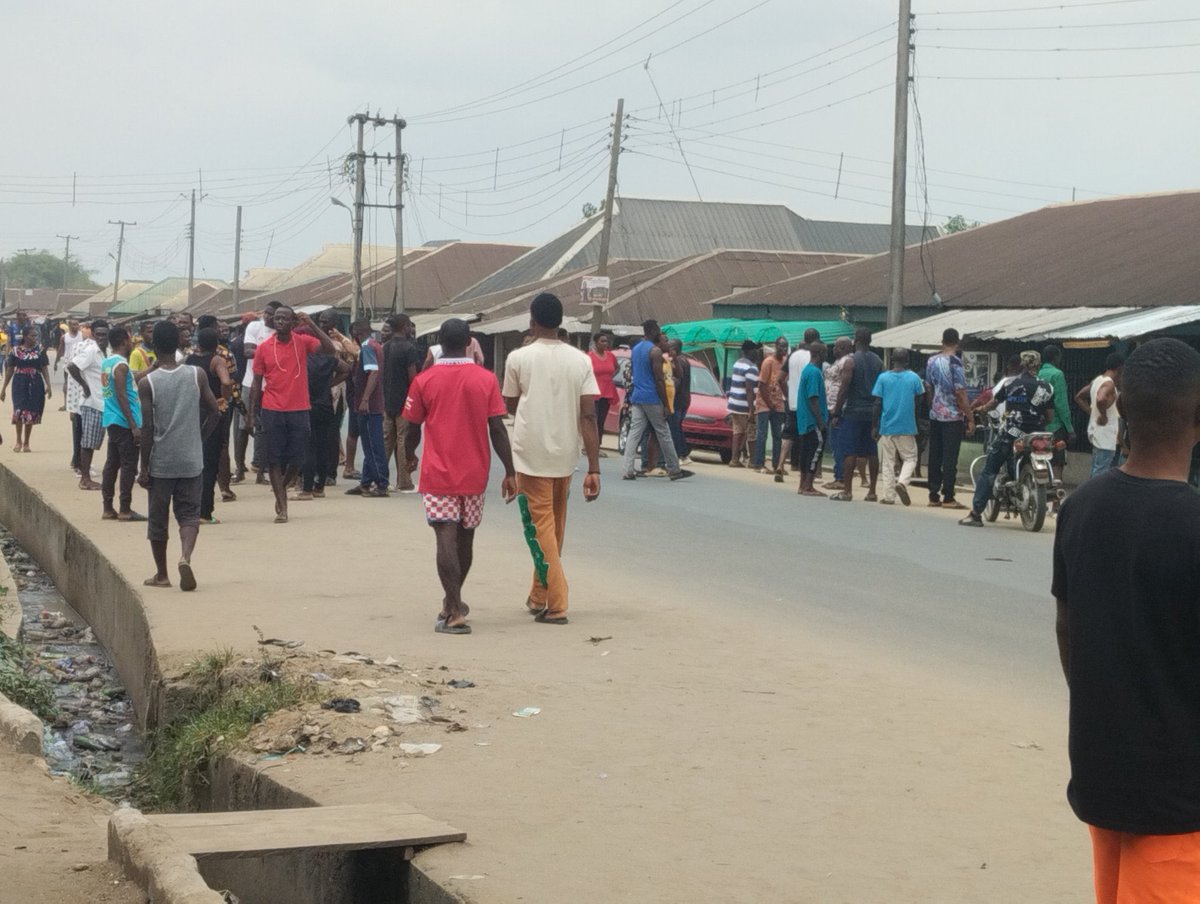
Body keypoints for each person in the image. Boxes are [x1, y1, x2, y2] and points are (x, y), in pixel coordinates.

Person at [1052, 337, 1200, 904]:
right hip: (1179, 802)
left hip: (1102, 777)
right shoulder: (1192, 526)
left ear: (1123, 410)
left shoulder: (1080, 509)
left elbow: (1069, 629)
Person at [404, 318, 517, 634]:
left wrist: (408, 455)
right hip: (475, 472)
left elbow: (412, 428)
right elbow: (497, 427)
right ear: (470, 342)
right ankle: (452, 602)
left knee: (445, 535)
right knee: (465, 537)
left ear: (440, 341)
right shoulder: (485, 379)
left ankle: (453, 608)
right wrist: (509, 470)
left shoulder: (425, 380)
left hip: (438, 472)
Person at [502, 293, 602, 625]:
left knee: (539, 526)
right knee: (554, 526)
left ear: (532, 321)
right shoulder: (581, 360)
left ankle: (557, 602)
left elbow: (511, 404)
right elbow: (588, 416)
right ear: (561, 322)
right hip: (565, 452)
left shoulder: (518, 357)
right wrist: (594, 468)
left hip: (531, 452)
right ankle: (539, 593)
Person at [136, 321, 220, 591]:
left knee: (158, 519)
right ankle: (185, 557)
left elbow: (147, 428)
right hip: (191, 459)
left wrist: (143, 466)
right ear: (180, 344)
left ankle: (161, 574)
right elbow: (215, 412)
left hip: (162, 461)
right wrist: (200, 437)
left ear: (153, 346)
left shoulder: (148, 382)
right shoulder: (197, 374)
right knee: (189, 515)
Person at [246, 306, 336, 523]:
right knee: (275, 460)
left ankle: (282, 488)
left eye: (285, 318)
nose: (280, 322)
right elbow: (257, 383)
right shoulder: (264, 348)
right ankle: (282, 506)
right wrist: (251, 414)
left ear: (293, 322)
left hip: (299, 409)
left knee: (299, 458)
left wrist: (312, 324)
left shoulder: (303, 341)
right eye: (277, 318)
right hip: (272, 408)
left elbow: (330, 349)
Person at [959, 351, 1055, 527]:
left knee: (990, 470)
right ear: (1038, 365)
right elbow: (1049, 417)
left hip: (1011, 433)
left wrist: (980, 410)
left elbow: (993, 404)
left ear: (1022, 365)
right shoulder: (1047, 388)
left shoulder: (1011, 384)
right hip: (1034, 435)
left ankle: (975, 514)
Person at [622, 320, 686, 481]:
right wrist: (665, 403)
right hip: (652, 397)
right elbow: (659, 380)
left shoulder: (636, 349)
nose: (659, 331)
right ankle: (674, 468)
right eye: (657, 329)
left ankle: (628, 469)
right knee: (663, 432)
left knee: (634, 433)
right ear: (652, 331)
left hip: (637, 396)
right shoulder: (655, 351)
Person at [185, 328, 234, 524]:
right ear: (216, 344)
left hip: (192, 413)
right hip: (213, 413)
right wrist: (224, 399)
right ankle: (205, 512)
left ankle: (189, 507)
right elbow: (226, 381)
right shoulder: (217, 360)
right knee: (210, 461)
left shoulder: (190, 360)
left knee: (193, 462)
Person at [829, 328, 883, 502]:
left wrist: (836, 411)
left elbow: (844, 388)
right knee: (871, 451)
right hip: (872, 412)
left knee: (850, 451)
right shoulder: (878, 361)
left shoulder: (851, 361)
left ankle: (847, 490)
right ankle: (872, 491)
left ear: (856, 341)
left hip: (853, 411)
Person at [924, 329, 974, 509]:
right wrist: (970, 418)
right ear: (957, 342)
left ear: (942, 341)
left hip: (935, 413)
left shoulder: (931, 360)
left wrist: (933, 407)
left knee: (935, 455)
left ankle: (933, 495)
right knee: (950, 457)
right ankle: (949, 497)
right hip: (952, 416)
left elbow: (928, 387)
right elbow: (960, 393)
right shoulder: (956, 362)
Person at [298, 331, 350, 500]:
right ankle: (319, 487)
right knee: (322, 446)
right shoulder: (330, 361)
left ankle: (307, 488)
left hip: (307, 405)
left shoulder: (303, 362)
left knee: (308, 447)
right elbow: (346, 369)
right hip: (326, 405)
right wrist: (331, 383)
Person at [99, 327, 144, 522]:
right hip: (124, 421)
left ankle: (108, 507)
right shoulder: (121, 365)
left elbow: (130, 382)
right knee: (129, 465)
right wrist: (134, 425)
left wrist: (154, 367)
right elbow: (121, 394)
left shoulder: (107, 363)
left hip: (112, 418)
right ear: (125, 341)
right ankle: (125, 508)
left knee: (112, 464)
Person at [872, 348, 925, 507]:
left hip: (887, 425)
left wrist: (875, 425)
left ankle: (888, 496)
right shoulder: (914, 378)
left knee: (888, 462)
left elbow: (877, 403)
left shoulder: (883, 378)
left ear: (892, 359)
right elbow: (920, 400)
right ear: (907, 361)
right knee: (910, 458)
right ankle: (902, 482)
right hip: (907, 425)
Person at [345, 319, 389, 498]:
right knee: (369, 444)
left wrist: (364, 399)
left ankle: (381, 484)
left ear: (357, 330)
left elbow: (373, 372)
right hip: (370, 404)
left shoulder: (368, 347)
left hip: (369, 406)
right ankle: (365, 482)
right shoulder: (374, 345)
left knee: (372, 445)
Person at [381, 313, 422, 492]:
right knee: (402, 439)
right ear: (405, 327)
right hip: (405, 399)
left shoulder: (385, 347)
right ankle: (404, 481)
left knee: (386, 439)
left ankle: (379, 478)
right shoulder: (409, 348)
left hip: (386, 398)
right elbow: (412, 377)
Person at [67, 319, 109, 491]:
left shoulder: (108, 352)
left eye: (104, 335)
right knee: (88, 443)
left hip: (105, 402)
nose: (100, 338)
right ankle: (85, 478)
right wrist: (85, 386)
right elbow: (72, 366)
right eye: (97, 334)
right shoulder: (91, 351)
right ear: (92, 334)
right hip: (92, 403)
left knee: (96, 442)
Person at [242, 301, 280, 484]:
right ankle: (240, 468)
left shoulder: (282, 333)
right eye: (266, 312)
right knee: (244, 426)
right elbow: (247, 351)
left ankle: (260, 467)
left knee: (265, 429)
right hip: (250, 383)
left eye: (271, 314)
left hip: (271, 387)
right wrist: (269, 352)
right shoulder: (254, 326)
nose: (267, 316)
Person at [1075, 353, 1124, 479]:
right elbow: (1101, 398)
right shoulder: (1109, 384)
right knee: (1100, 473)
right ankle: (1093, 497)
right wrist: (1102, 415)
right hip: (1106, 436)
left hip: (1097, 433)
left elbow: (1079, 397)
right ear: (1120, 369)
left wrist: (1093, 412)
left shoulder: (1097, 380)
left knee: (1098, 469)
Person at [0, 326, 50, 451]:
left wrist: (49, 385)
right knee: (19, 411)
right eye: (32, 336)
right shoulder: (15, 351)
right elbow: (10, 370)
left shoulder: (40, 350)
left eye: (35, 336)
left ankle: (27, 442)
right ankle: (18, 441)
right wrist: (4, 388)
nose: (34, 338)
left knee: (30, 412)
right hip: (19, 383)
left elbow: (44, 368)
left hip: (35, 383)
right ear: (25, 336)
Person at [794, 342, 828, 497]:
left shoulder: (807, 370)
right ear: (819, 354)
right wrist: (821, 422)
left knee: (806, 453)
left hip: (804, 421)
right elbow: (813, 398)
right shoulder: (814, 372)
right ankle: (808, 486)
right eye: (826, 352)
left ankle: (803, 485)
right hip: (812, 421)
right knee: (815, 452)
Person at [1040, 344, 1075, 489]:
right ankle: (1056, 499)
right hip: (1056, 426)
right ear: (1056, 357)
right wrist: (1070, 428)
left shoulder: (1037, 373)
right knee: (1057, 462)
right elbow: (1061, 403)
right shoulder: (1057, 374)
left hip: (1039, 425)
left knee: (1041, 459)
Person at [822, 337, 854, 490]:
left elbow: (844, 387)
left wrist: (837, 411)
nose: (833, 349)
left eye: (836, 346)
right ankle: (839, 476)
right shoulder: (839, 361)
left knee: (838, 444)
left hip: (837, 409)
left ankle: (840, 478)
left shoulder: (846, 362)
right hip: (831, 407)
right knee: (835, 443)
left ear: (842, 347)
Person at [754, 336, 788, 472]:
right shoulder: (768, 362)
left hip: (779, 403)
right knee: (762, 434)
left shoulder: (785, 363)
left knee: (778, 435)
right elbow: (761, 385)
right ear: (776, 346)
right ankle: (759, 464)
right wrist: (769, 403)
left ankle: (776, 465)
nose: (784, 349)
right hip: (764, 403)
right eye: (781, 346)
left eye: (786, 346)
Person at [726, 340, 759, 468]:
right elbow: (749, 389)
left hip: (734, 403)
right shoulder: (751, 367)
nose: (757, 352)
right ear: (750, 351)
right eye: (755, 350)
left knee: (737, 431)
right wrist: (751, 409)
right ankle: (753, 461)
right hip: (745, 405)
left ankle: (734, 459)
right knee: (751, 432)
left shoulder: (737, 364)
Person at [588, 332, 619, 452]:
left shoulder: (611, 356)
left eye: (606, 341)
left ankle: (598, 446)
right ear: (596, 343)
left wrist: (611, 376)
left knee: (601, 420)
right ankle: (590, 445)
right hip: (594, 392)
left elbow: (617, 368)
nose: (605, 344)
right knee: (593, 420)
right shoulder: (590, 357)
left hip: (607, 391)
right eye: (602, 341)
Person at [667, 338, 691, 464]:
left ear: (675, 349)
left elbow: (677, 382)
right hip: (685, 398)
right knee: (678, 426)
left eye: (669, 347)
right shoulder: (685, 360)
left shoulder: (678, 362)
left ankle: (678, 453)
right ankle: (684, 453)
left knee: (674, 427)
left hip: (677, 399)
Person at [55, 318, 82, 409]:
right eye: (73, 325)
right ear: (69, 326)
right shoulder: (64, 337)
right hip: (68, 363)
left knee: (81, 383)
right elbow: (60, 349)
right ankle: (66, 404)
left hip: (80, 363)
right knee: (67, 383)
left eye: (77, 324)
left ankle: (79, 402)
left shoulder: (82, 336)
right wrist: (56, 361)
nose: (75, 326)